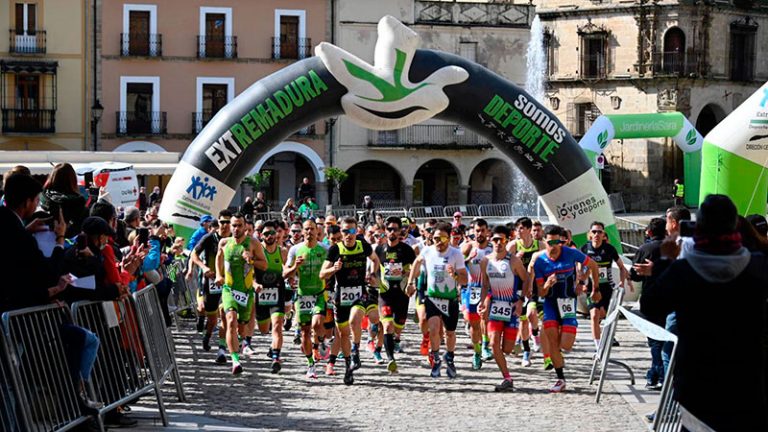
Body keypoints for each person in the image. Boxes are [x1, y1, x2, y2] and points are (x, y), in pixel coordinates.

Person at [641, 195, 768, 431]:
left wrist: (665, 259)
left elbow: (650, 306)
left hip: (698, 380)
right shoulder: (758, 266)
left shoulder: (683, 271)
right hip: (747, 377)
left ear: (700, 227)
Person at [532, 225, 600, 392]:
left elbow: (593, 265)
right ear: (544, 241)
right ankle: (560, 379)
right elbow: (541, 291)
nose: (554, 245)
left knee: (566, 345)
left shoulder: (570, 252)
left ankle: (562, 342)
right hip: (550, 304)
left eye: (557, 242)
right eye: (550, 242)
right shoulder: (540, 262)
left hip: (568, 303)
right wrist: (547, 284)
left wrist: (588, 285)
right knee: (553, 343)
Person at [319, 217, 380, 385]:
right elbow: (322, 274)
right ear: (341, 233)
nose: (349, 235)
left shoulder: (363, 245)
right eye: (345, 231)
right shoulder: (335, 249)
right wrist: (334, 269)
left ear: (357, 232)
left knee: (355, 319)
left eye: (352, 231)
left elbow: (375, 260)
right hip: (341, 296)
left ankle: (356, 351)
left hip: (360, 293)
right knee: (343, 334)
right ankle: (348, 368)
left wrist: (372, 273)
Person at [0, 173, 71, 313]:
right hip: (14, 310)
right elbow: (48, 274)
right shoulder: (22, 237)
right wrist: (60, 238)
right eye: (36, 200)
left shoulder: (11, 226)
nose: (37, 204)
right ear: (26, 202)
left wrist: (25, 230)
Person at [407, 222, 468, 378]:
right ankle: (435, 358)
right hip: (432, 297)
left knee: (450, 333)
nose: (438, 242)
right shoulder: (427, 251)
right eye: (435, 238)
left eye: (442, 238)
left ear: (448, 238)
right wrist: (410, 282)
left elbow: (464, 280)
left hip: (450, 299)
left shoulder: (456, 254)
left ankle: (450, 357)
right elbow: (416, 263)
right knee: (433, 328)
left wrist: (454, 274)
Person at [214, 213, 268, 375]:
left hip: (246, 292)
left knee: (242, 328)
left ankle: (239, 343)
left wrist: (251, 260)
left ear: (245, 227)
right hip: (229, 290)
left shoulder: (253, 243)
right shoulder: (224, 242)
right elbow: (219, 257)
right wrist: (218, 274)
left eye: (239, 226)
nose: (236, 229)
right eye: (234, 225)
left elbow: (264, 265)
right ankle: (235, 361)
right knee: (231, 320)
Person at [478, 225, 528, 391]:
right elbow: (485, 284)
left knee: (506, 348)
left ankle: (520, 341)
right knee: (493, 344)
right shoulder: (486, 261)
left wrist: (521, 300)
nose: (498, 243)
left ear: (507, 241)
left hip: (511, 307)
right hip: (494, 308)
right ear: (491, 240)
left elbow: (526, 279)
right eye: (495, 239)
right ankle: (507, 377)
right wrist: (482, 302)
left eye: (501, 240)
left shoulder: (513, 260)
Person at [283, 219, 328, 379]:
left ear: (317, 231)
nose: (309, 232)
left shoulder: (324, 249)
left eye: (312, 229)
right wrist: (295, 266)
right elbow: (285, 274)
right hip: (301, 296)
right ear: (303, 232)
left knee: (316, 324)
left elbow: (332, 268)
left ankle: (321, 340)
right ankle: (310, 364)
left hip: (319, 293)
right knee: (304, 332)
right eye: (306, 229)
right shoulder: (295, 250)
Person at [580, 221, 632, 351]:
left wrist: (622, 283)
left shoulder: (609, 249)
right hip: (592, 288)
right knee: (594, 314)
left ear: (604, 235)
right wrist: (582, 282)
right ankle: (598, 347)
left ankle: (606, 334)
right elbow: (579, 269)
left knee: (605, 315)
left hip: (607, 287)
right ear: (590, 234)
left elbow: (621, 267)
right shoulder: (585, 249)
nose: (597, 234)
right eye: (594, 231)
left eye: (600, 232)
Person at [375, 216, 417, 374]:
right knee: (387, 325)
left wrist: (411, 279)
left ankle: (395, 340)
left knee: (398, 327)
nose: (392, 232)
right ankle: (390, 358)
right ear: (385, 231)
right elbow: (373, 268)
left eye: (395, 229)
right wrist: (373, 279)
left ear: (401, 231)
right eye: (389, 229)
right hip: (385, 293)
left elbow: (416, 267)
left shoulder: (406, 250)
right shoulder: (379, 249)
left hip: (402, 293)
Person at [630, 217, 667, 390]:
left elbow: (635, 275)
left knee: (654, 340)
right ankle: (656, 372)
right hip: (669, 298)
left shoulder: (645, 248)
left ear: (649, 232)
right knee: (666, 339)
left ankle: (658, 374)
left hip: (651, 298)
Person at [188, 210, 232, 354]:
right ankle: (207, 336)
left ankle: (222, 348)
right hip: (210, 283)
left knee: (226, 315)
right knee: (212, 319)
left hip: (228, 283)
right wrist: (203, 267)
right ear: (218, 223)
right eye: (222, 222)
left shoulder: (235, 239)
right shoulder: (208, 238)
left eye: (228, 222)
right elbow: (193, 253)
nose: (225, 225)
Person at [508, 217, 544, 367]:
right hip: (518, 287)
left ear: (529, 230)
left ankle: (535, 333)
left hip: (534, 286)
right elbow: (504, 267)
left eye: (521, 228)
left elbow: (548, 263)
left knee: (531, 314)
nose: (518, 231)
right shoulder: (513, 245)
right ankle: (526, 352)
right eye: (517, 228)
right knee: (523, 319)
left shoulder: (540, 245)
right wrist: (515, 259)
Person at [254, 220, 290, 373]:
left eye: (272, 233)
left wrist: (291, 274)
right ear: (261, 235)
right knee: (264, 329)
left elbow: (286, 270)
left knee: (277, 326)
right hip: (260, 294)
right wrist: (255, 285)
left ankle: (276, 357)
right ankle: (272, 347)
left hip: (277, 292)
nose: (270, 236)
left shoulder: (282, 251)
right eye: (266, 233)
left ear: (277, 235)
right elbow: (249, 272)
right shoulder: (257, 250)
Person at [460, 218, 492, 370]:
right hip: (471, 289)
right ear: (473, 231)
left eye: (482, 230)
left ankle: (485, 346)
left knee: (484, 318)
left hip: (488, 289)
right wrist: (467, 259)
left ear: (487, 232)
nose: (480, 233)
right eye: (477, 231)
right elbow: (456, 264)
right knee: (473, 323)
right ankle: (477, 351)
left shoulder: (492, 248)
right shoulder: (468, 247)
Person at [41, 162, 88, 238]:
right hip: (67, 246)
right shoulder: (78, 205)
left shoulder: (40, 201)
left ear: (52, 178)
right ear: (73, 180)